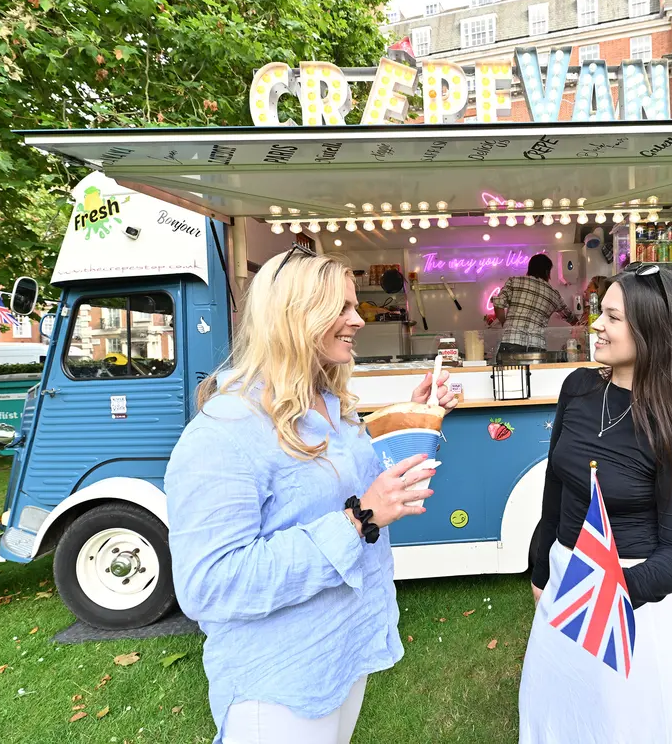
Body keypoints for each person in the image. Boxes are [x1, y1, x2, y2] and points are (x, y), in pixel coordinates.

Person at [163, 245, 457, 744]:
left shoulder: (328, 406)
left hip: (342, 654)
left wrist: (413, 415)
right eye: (340, 308)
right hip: (280, 678)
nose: (357, 319)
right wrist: (360, 518)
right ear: (292, 317)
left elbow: (349, 483)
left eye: (353, 305)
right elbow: (208, 584)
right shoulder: (223, 431)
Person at [518, 263, 672, 744]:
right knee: (563, 717)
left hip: (632, 605)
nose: (596, 326)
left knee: (623, 725)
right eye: (600, 313)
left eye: (611, 317)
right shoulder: (579, 389)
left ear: (652, 330)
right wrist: (541, 571)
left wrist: (604, 595)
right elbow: (557, 488)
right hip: (566, 589)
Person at [492, 253, 578, 360]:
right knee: (533, 376)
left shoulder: (514, 281)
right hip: (536, 347)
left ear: (529, 268)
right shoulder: (553, 294)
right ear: (547, 272)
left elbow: (498, 303)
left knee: (507, 376)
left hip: (511, 342)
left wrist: (505, 323)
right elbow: (570, 317)